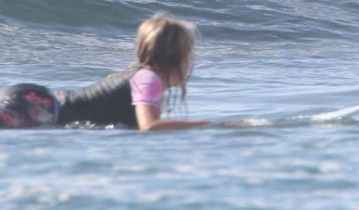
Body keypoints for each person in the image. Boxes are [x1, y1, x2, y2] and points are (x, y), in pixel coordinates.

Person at [0, 14, 213, 131]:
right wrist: (213, 126)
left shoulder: (141, 76)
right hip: (38, 106)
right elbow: (150, 126)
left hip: (37, 101)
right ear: (175, 56)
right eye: (189, 54)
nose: (190, 62)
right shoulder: (150, 79)